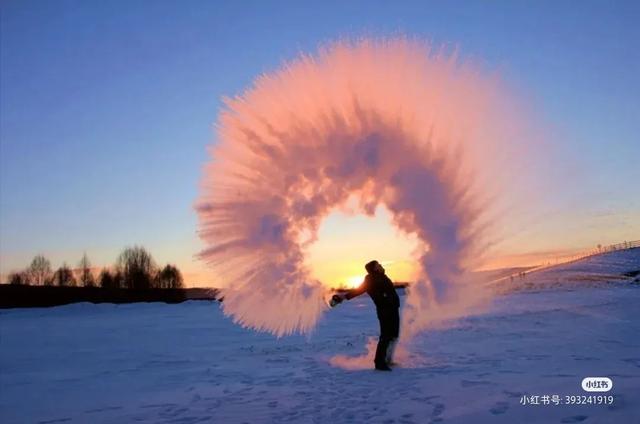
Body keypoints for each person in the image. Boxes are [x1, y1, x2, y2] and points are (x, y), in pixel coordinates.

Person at [330, 260, 400, 371]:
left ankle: (387, 359)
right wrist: (342, 297)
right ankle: (379, 362)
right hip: (385, 310)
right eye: (378, 265)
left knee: (394, 335)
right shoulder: (371, 280)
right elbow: (358, 290)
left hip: (393, 308)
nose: (381, 265)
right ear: (374, 269)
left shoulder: (382, 276)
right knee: (386, 336)